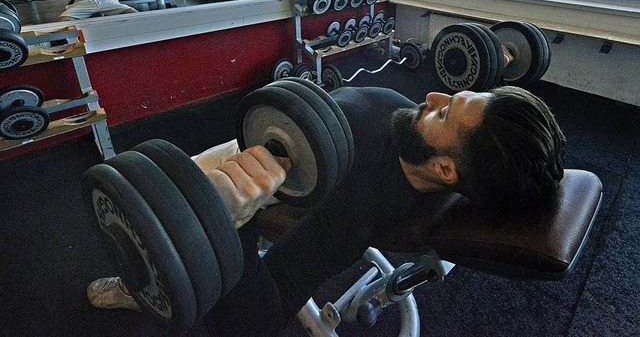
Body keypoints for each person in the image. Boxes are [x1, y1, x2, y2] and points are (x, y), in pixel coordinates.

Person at [86, 85, 566, 335]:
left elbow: (251, 320)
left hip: (256, 181)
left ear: (444, 170)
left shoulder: (359, 211)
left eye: (443, 113)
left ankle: (141, 285)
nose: (432, 97)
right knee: (167, 184)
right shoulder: (411, 127)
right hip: (265, 136)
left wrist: (230, 226)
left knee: (165, 225)